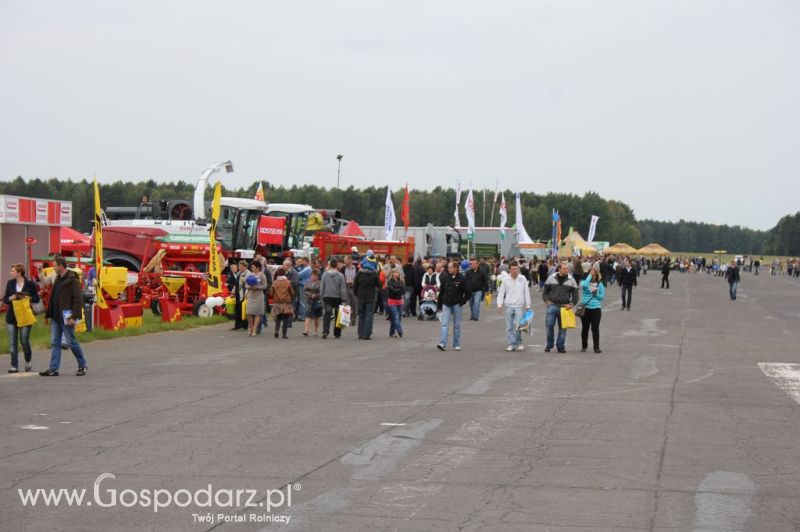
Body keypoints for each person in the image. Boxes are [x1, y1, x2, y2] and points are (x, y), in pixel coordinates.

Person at [40, 257, 87, 376]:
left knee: (71, 341)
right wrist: (49, 313)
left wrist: (74, 316)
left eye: (55, 266)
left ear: (61, 266)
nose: (54, 268)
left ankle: (82, 365)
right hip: (55, 315)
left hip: (67, 315)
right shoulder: (57, 278)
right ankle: (53, 369)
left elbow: (78, 299)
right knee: (55, 342)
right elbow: (53, 297)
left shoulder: (72, 279)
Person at [4, 264, 40, 373]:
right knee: (12, 342)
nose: (11, 273)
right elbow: (5, 299)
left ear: (19, 273)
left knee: (24, 340)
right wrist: (11, 298)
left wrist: (28, 297)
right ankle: (14, 365)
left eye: (13, 271)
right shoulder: (10, 283)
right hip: (12, 315)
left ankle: (28, 360)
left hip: (25, 315)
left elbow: (36, 298)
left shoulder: (30, 284)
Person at [542, 261, 579, 353]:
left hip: (564, 307)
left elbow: (575, 295)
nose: (566, 270)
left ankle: (560, 346)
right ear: (559, 269)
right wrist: (546, 301)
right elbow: (545, 291)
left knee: (563, 328)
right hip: (552, 306)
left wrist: (572, 304)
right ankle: (549, 345)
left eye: (567, 269)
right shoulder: (551, 278)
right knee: (549, 325)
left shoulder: (571, 280)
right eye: (564, 269)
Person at [436, 261, 470, 351]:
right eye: (448, 267)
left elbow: (468, 293)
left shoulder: (462, 279)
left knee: (456, 325)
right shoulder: (445, 278)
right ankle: (442, 343)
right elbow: (441, 292)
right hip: (446, 304)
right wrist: (439, 305)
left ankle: (456, 344)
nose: (448, 269)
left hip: (457, 304)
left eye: (450, 267)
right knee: (444, 324)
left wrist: (462, 302)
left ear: (455, 268)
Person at [496, 262, 531, 352]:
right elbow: (501, 293)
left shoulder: (522, 279)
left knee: (517, 326)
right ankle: (511, 344)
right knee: (509, 327)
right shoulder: (505, 280)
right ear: (509, 270)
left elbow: (526, 292)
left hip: (519, 306)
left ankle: (519, 342)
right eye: (512, 269)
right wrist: (499, 305)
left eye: (516, 269)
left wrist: (528, 305)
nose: (514, 271)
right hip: (508, 306)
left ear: (518, 269)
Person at [354, 254, 381, 340]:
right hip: (371, 297)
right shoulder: (374, 274)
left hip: (361, 296)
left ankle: (360, 333)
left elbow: (355, 285)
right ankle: (366, 334)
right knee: (369, 315)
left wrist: (357, 294)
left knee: (361, 314)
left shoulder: (359, 273)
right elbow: (379, 286)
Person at [579, 267, 605, 353]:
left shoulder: (600, 284)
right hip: (585, 308)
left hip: (596, 309)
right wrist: (590, 275)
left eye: (594, 275)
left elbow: (601, 297)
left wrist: (596, 294)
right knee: (585, 328)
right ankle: (584, 346)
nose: (593, 276)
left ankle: (596, 347)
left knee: (595, 328)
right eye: (591, 275)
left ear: (597, 275)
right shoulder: (584, 282)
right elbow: (584, 286)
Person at [320, 258, 347, 339]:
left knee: (327, 314)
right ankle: (337, 332)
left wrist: (321, 296)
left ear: (330, 265)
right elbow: (343, 288)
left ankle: (325, 331)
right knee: (338, 315)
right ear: (337, 265)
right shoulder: (341, 275)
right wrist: (344, 299)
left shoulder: (325, 274)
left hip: (327, 296)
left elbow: (322, 286)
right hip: (337, 297)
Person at [270, 268, 295, 338]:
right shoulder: (288, 282)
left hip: (277, 302)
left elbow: (271, 293)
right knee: (285, 319)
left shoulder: (274, 282)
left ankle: (276, 331)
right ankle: (284, 335)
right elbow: (292, 293)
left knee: (278, 318)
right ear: (284, 274)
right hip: (286, 302)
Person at [244, 261, 267, 337]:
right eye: (251, 267)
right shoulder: (250, 275)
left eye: (253, 267)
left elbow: (265, 286)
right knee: (248, 312)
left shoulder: (262, 275)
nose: (252, 268)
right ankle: (251, 326)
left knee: (257, 313)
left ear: (258, 268)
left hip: (259, 296)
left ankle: (255, 329)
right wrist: (249, 287)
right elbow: (246, 285)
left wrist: (257, 287)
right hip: (251, 295)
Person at [302, 269, 322, 337]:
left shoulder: (320, 283)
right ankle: (306, 330)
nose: (313, 276)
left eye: (314, 275)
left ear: (318, 276)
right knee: (308, 315)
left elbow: (322, 292)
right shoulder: (307, 282)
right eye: (312, 275)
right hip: (309, 300)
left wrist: (315, 295)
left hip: (317, 301)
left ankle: (316, 330)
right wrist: (310, 295)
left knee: (317, 317)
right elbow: (304, 290)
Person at [386, 269, 405, 338]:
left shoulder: (401, 281)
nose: (397, 274)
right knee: (396, 316)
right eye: (396, 272)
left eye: (398, 272)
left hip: (399, 300)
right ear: (392, 274)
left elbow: (403, 290)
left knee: (397, 317)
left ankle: (392, 333)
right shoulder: (390, 281)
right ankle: (399, 330)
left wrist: (397, 289)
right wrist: (399, 289)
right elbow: (392, 290)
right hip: (391, 300)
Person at [342, 256, 359, 328]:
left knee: (354, 305)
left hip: (354, 288)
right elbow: (342, 278)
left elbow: (358, 279)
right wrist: (345, 282)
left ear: (350, 260)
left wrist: (353, 282)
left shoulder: (357, 269)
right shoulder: (343, 269)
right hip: (346, 288)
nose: (344, 262)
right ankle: (346, 320)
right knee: (346, 304)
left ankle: (353, 320)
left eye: (345, 260)